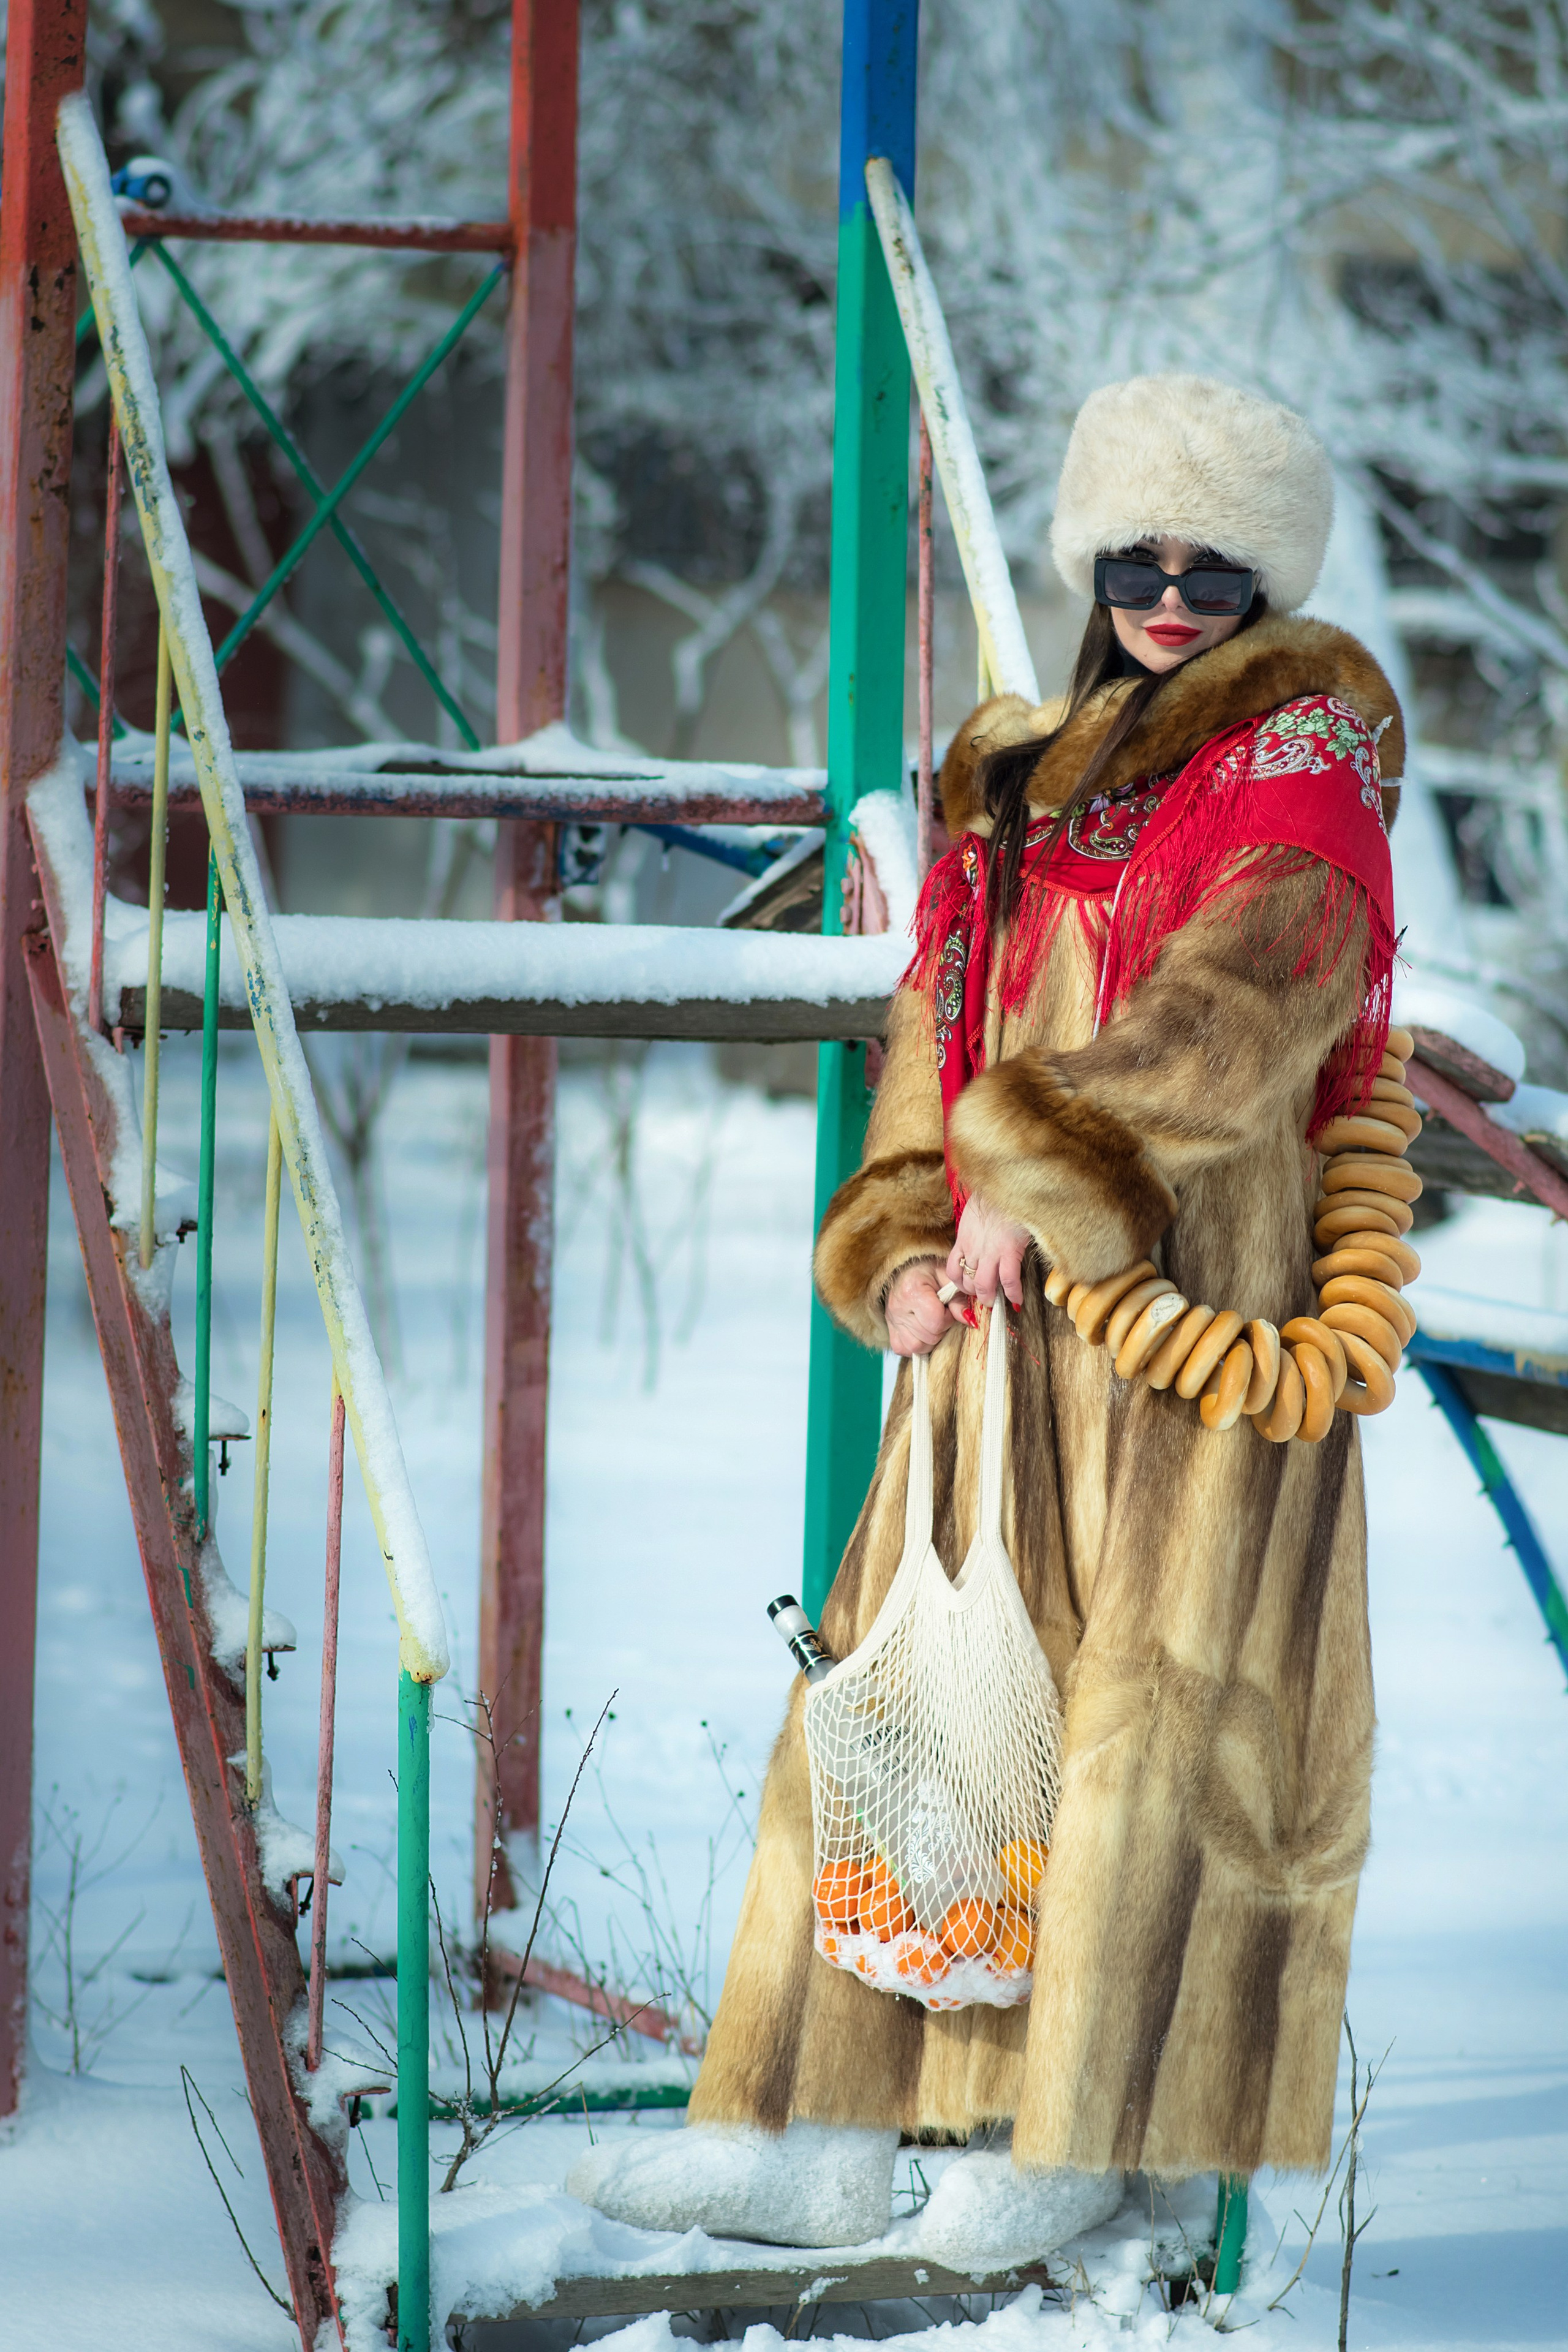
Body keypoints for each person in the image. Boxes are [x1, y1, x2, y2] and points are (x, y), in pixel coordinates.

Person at [571, 375, 1398, 2263]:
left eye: (1213, 568)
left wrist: (1043, 1185)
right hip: (990, 1326)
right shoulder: (1021, 776)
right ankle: (812, 2121)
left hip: (1180, 1313)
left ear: (1266, 582)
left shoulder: (1307, 752)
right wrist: (908, 1233)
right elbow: (936, 1027)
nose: (1173, 596)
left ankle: (1080, 2127)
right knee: (910, 1704)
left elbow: (1236, 1021)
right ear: (1095, 561)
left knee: (1140, 1724)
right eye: (1140, 560)